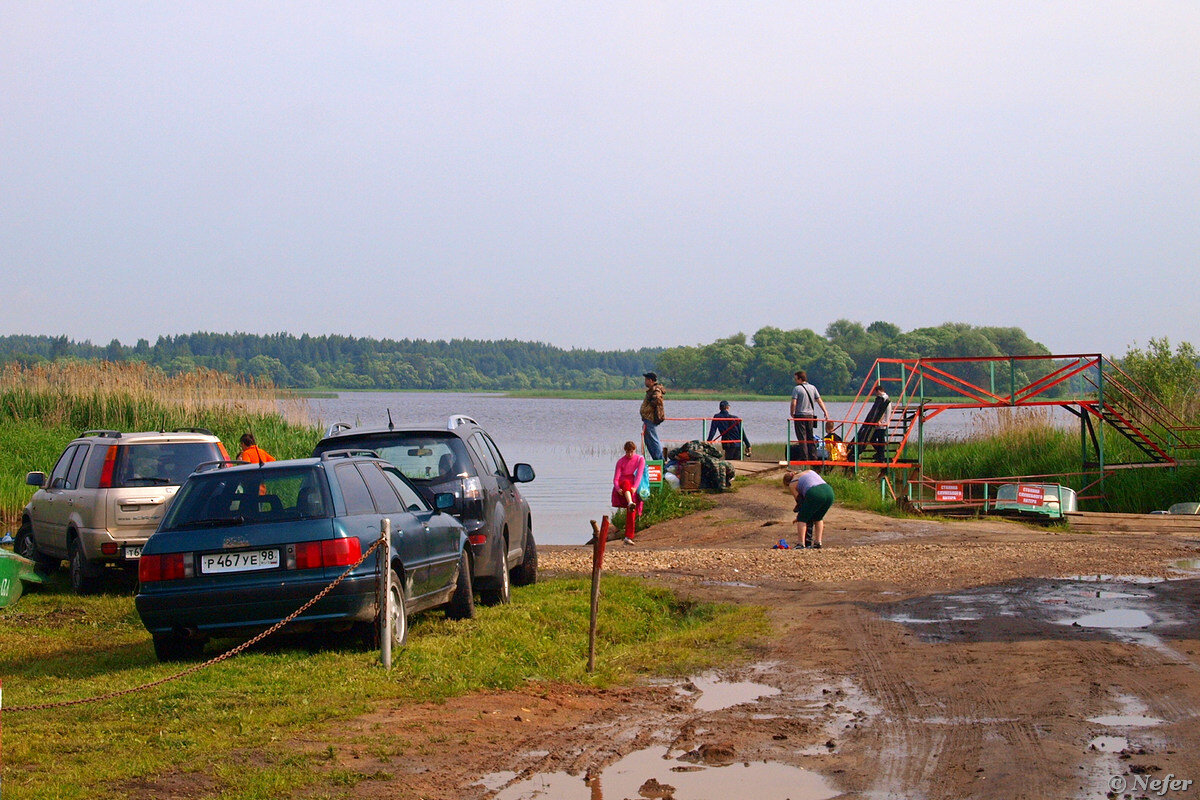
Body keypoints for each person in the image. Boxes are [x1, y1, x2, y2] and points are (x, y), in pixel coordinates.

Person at [783, 469, 835, 548]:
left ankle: (801, 544)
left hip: (814, 492)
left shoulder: (792, 483)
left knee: (802, 519)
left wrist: (800, 515)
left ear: (787, 482)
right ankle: (818, 542)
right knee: (818, 518)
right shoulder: (808, 471)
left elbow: (800, 501)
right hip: (829, 491)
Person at [612, 441, 646, 545]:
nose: (629, 454)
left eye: (631, 452)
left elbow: (639, 475)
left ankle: (628, 536)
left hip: (633, 488)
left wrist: (635, 487)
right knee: (626, 483)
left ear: (634, 450)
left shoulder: (640, 459)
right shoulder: (620, 461)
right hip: (623, 486)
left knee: (631, 512)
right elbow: (616, 479)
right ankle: (630, 502)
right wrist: (617, 488)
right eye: (627, 452)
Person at [790, 370, 828, 463]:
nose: (795, 381)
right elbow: (819, 401)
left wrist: (792, 412)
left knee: (802, 437)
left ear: (800, 378)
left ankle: (804, 458)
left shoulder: (797, 389)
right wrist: (825, 412)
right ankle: (813, 456)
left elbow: (794, 402)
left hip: (800, 416)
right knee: (810, 437)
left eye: (796, 379)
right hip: (810, 416)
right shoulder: (813, 388)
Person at [856, 383, 893, 463]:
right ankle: (880, 455)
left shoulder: (883, 398)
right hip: (884, 424)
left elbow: (882, 411)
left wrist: (878, 421)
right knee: (880, 440)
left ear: (878, 391)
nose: (876, 395)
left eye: (876, 393)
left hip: (881, 424)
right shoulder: (887, 398)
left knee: (874, 438)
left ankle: (880, 455)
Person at [640, 371, 666, 461]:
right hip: (647, 419)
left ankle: (660, 459)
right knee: (649, 441)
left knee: (653, 440)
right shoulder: (652, 390)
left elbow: (658, 400)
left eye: (646, 380)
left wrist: (650, 405)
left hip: (650, 418)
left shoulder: (655, 390)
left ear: (650, 380)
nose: (645, 382)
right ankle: (656, 459)